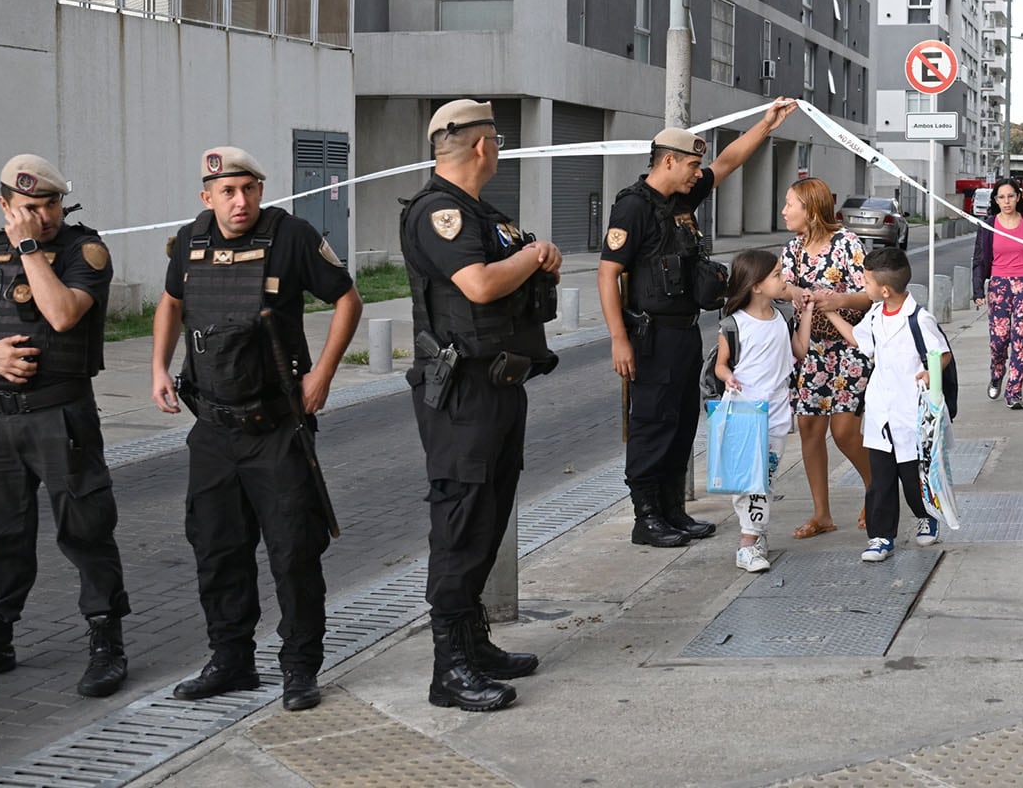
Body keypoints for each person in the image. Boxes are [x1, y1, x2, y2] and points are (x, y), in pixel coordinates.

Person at [150, 146, 362, 712]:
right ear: (207, 197)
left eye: (248, 189)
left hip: (277, 428)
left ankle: (299, 667)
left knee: (294, 552)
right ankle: (231, 661)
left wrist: (322, 374)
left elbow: (348, 299)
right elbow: (171, 302)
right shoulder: (190, 241)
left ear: (261, 191)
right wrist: (158, 368)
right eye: (227, 192)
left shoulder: (291, 237)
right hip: (213, 429)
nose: (239, 201)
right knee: (217, 550)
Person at [0, 155, 131, 699]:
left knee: (85, 529)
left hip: (61, 414)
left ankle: (106, 643)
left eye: (51, 204)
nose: (43, 217)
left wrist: (29, 249)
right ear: (4, 205)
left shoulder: (84, 251)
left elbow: (62, 314)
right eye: (29, 208)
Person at [401, 99, 562, 713]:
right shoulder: (438, 212)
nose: (499, 148)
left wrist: (536, 257)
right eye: (497, 139)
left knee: (488, 519)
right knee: (461, 523)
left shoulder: (482, 214)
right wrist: (533, 255)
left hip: (498, 385)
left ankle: (474, 644)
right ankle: (449, 670)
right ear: (481, 146)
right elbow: (479, 283)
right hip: (461, 392)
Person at [598, 97, 797, 548]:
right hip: (650, 335)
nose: (697, 173)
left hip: (685, 329)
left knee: (682, 422)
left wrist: (765, 125)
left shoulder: (683, 196)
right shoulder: (633, 207)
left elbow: (728, 163)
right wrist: (618, 339)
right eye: (691, 165)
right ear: (668, 161)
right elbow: (608, 274)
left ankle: (673, 510)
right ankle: (647, 517)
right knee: (653, 424)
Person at [823, 248, 950, 563]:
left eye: (866, 282)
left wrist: (930, 374)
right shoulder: (876, 314)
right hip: (881, 413)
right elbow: (858, 340)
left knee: (913, 478)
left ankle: (926, 515)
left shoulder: (919, 318)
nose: (862, 286)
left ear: (885, 290)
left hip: (910, 414)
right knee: (880, 481)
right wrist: (831, 313)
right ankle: (881, 536)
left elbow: (942, 353)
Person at [778, 177, 876, 538]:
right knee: (809, 428)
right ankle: (822, 514)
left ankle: (876, 489)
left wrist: (838, 301)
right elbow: (782, 285)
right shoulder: (793, 249)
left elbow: (870, 294)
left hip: (849, 346)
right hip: (811, 349)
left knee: (845, 431)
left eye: (790, 204)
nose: (784, 211)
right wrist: (794, 292)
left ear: (811, 210)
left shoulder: (847, 243)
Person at [711, 249, 811, 574]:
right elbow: (721, 365)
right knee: (750, 480)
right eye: (777, 275)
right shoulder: (734, 325)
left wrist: (807, 312)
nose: (784, 279)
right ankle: (748, 543)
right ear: (756, 285)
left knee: (765, 477)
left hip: (778, 412)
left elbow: (799, 350)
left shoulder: (781, 317)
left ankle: (755, 534)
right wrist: (729, 378)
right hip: (745, 412)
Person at [972, 179, 1023, 410]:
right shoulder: (989, 225)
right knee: (999, 339)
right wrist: (978, 289)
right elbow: (980, 258)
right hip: (999, 284)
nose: (1006, 201)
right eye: (1001, 197)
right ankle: (997, 371)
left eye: (1010, 196)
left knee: (1020, 338)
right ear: (995, 200)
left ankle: (1014, 391)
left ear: (1018, 197)